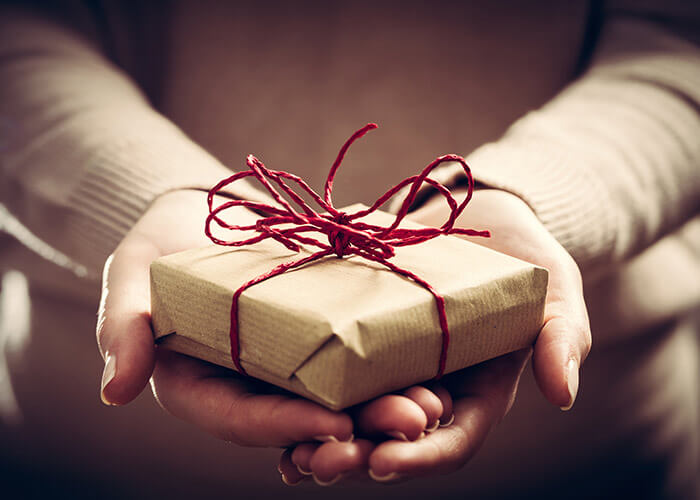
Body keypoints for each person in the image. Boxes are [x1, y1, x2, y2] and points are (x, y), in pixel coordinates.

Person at [0, 1, 698, 498]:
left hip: (593, 464)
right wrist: (142, 193)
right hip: (87, 462)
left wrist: (531, 196)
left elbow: (679, 48)